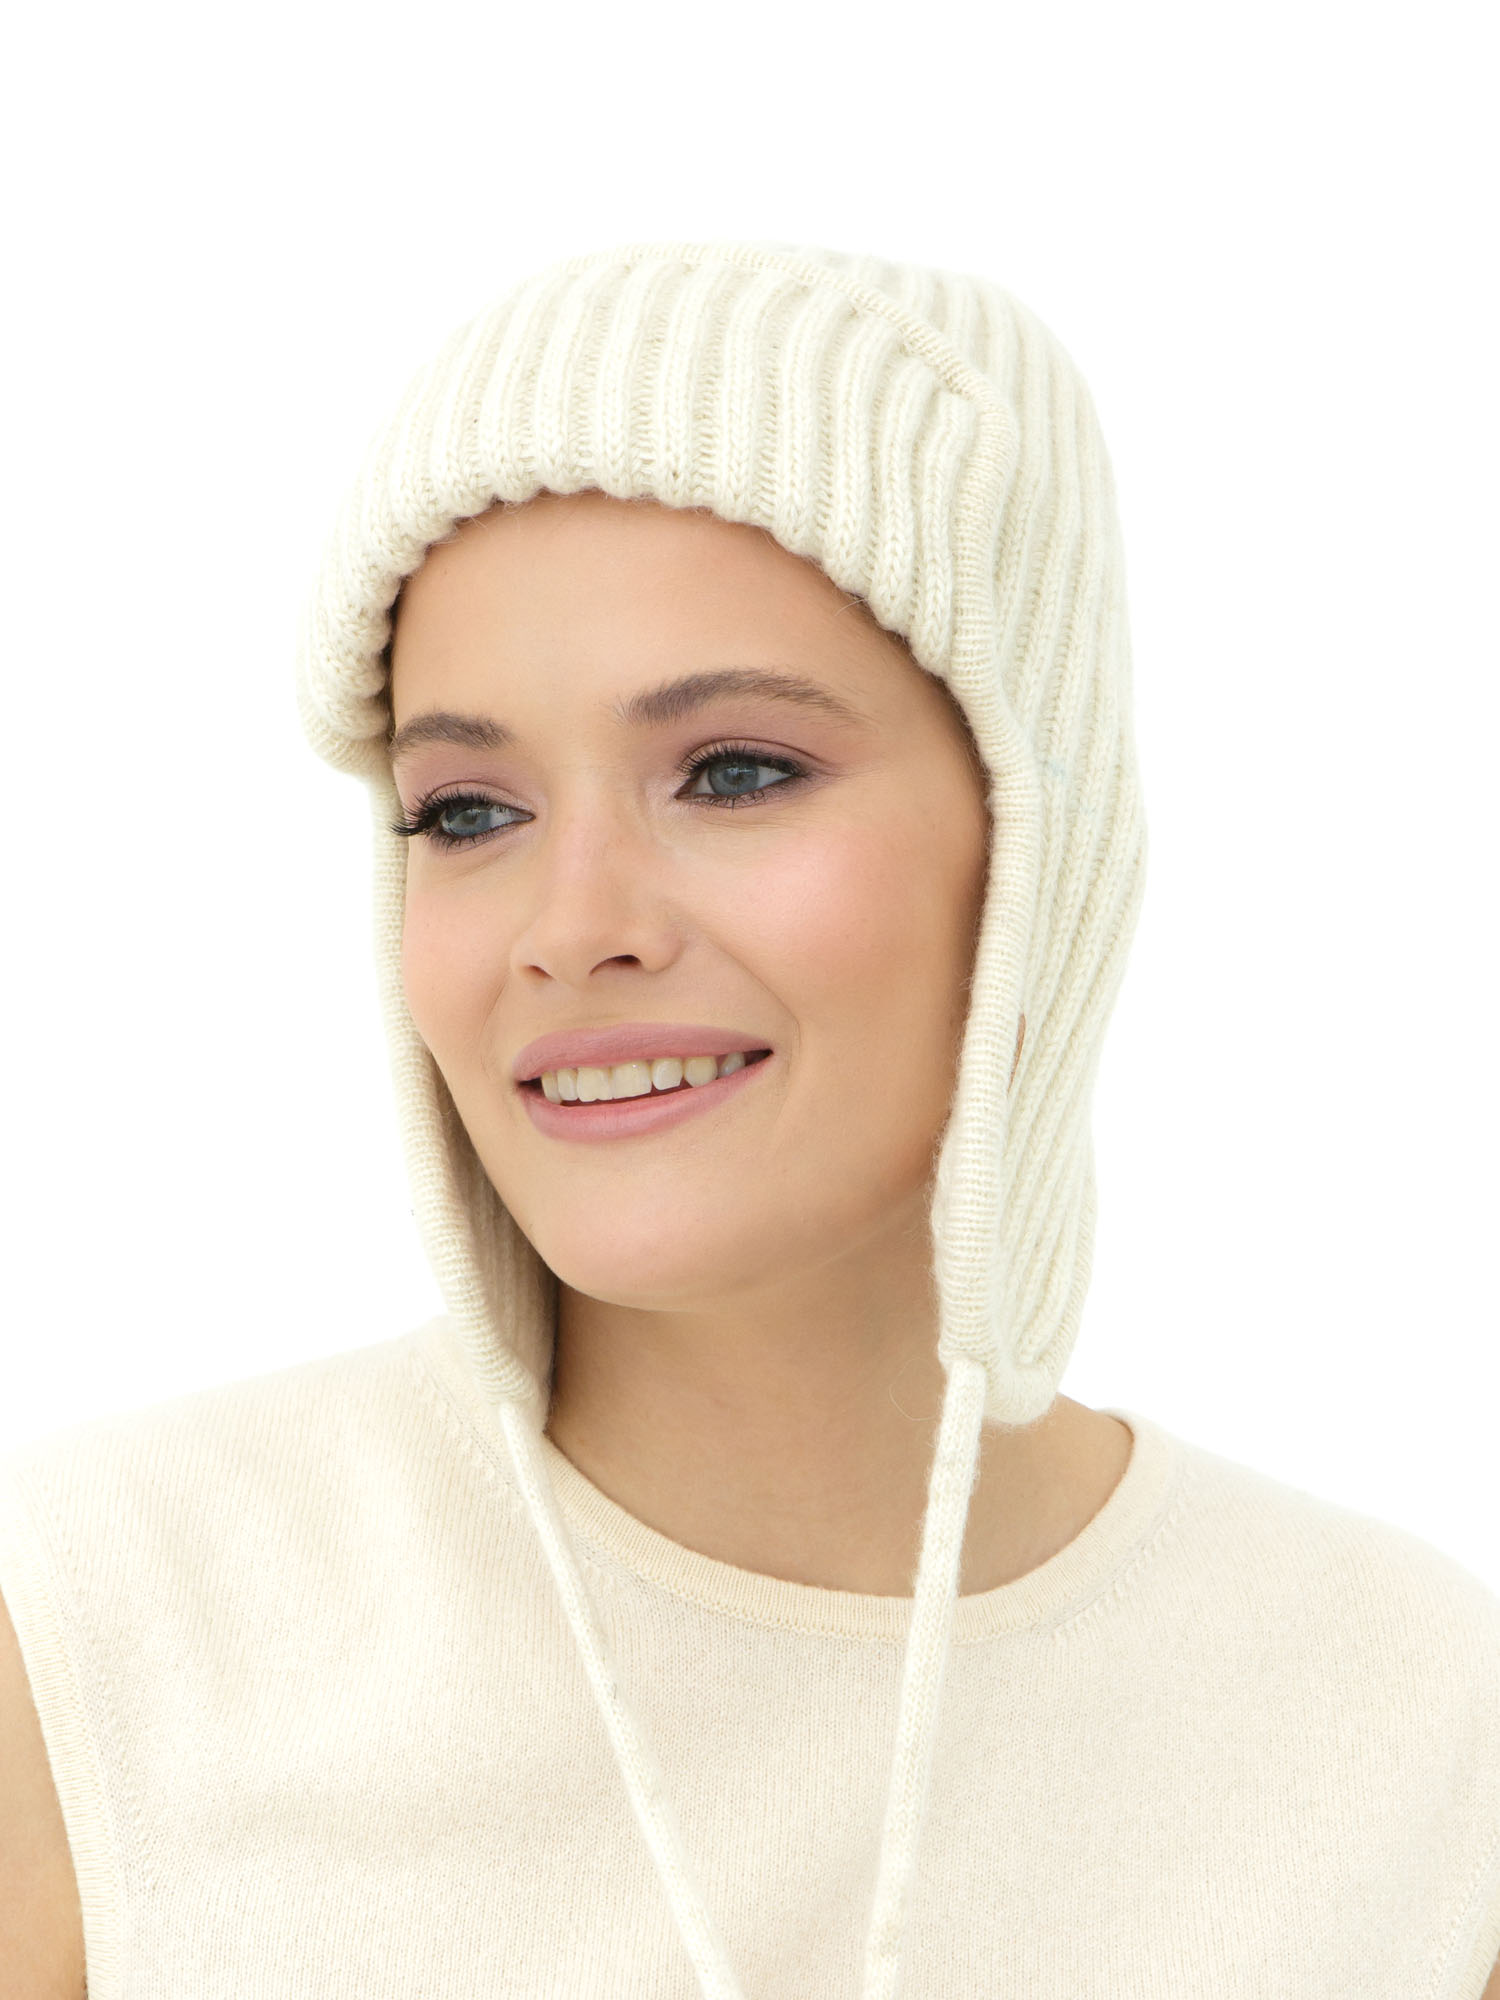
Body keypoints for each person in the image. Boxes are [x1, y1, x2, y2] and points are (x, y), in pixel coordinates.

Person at [2, 238, 1497, 1999]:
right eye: (468, 810)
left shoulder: (1423, 1739)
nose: (574, 927)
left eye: (734, 773)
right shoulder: (92, 1650)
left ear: (1041, 837)